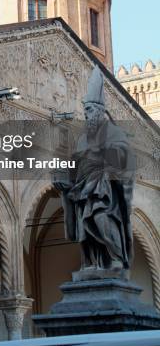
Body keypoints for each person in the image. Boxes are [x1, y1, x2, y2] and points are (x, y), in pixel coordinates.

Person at [54, 65, 134, 271]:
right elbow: (75, 164)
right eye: (85, 111)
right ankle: (91, 263)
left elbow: (123, 157)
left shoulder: (112, 132)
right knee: (84, 230)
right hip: (82, 189)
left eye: (89, 110)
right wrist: (63, 178)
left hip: (103, 188)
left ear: (99, 111)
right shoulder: (82, 139)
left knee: (101, 220)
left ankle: (115, 258)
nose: (87, 115)